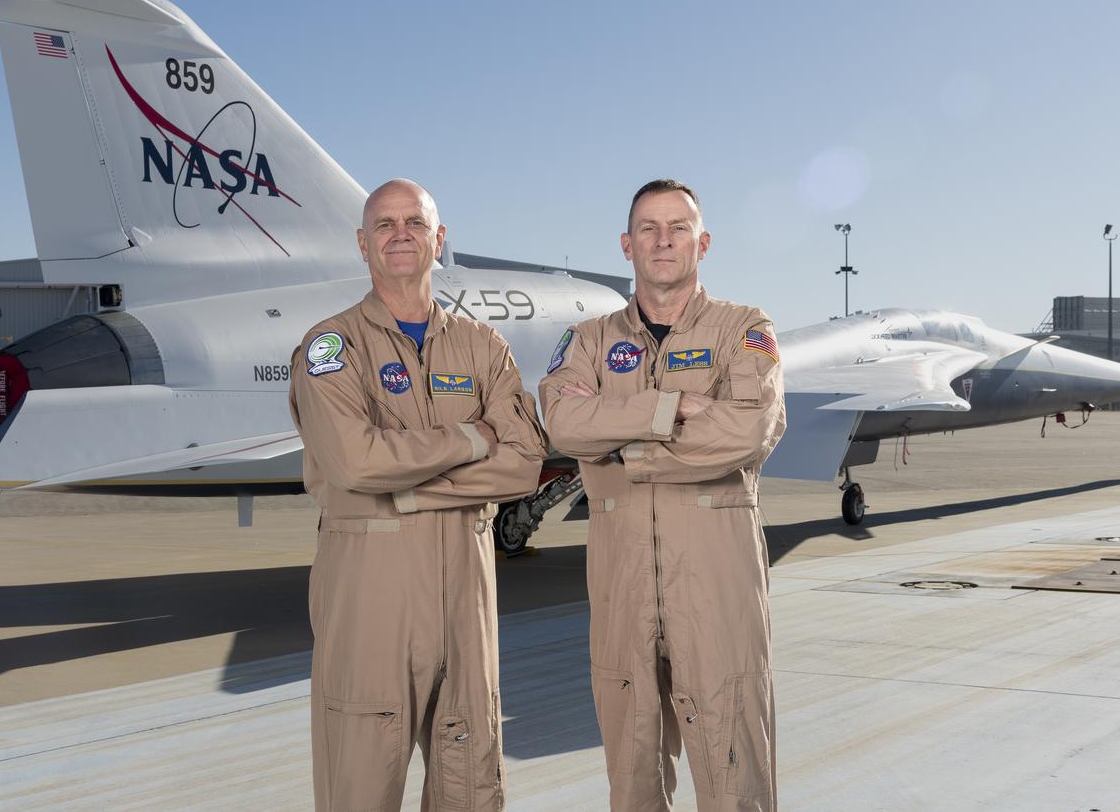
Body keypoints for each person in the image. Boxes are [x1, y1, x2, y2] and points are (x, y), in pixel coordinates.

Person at [288, 179, 546, 811]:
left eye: (414, 222)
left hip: (465, 595)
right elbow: (355, 462)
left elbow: (524, 465)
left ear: (439, 238)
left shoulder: (482, 345)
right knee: (361, 782)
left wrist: (404, 487)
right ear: (362, 243)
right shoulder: (333, 348)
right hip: (371, 594)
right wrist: (468, 437)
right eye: (384, 225)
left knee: (471, 782)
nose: (400, 234)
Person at [540, 179, 787, 811]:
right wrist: (669, 409)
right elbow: (564, 424)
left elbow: (746, 432)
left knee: (734, 766)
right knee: (631, 770)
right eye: (648, 228)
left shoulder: (744, 329)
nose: (663, 240)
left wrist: (623, 443)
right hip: (621, 585)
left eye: (678, 227)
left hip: (715, 582)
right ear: (627, 246)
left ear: (702, 243)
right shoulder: (590, 340)